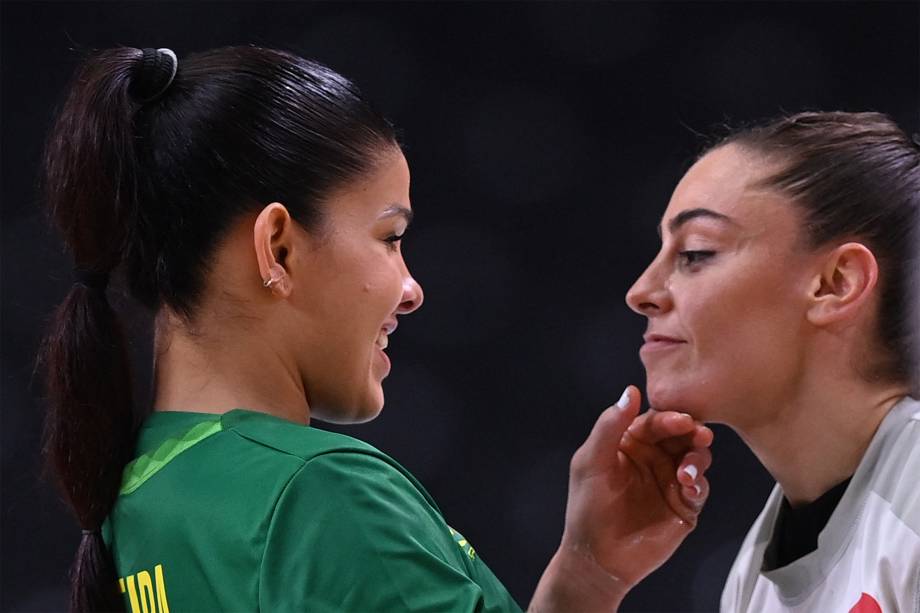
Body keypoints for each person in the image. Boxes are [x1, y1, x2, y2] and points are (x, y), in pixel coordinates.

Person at [39, 46, 713, 613]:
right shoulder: (317, 496)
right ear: (277, 248)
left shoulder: (141, 496)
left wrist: (586, 573)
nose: (412, 288)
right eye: (389, 237)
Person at [626, 111, 920, 611]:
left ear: (836, 283)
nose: (642, 292)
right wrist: (590, 576)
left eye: (696, 252)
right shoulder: (753, 579)